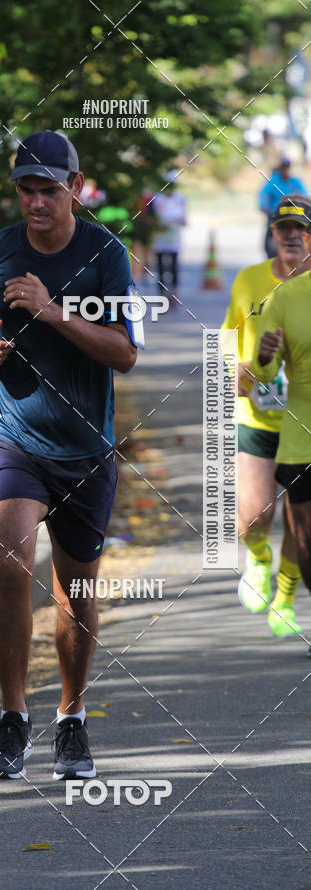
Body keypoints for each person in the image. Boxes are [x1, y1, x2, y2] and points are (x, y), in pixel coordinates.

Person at [0, 130, 138, 780]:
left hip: (85, 447)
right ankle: (12, 714)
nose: (35, 202)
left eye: (48, 190)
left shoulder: (105, 253)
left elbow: (125, 354)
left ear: (75, 190)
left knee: (76, 588)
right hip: (13, 436)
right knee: (11, 563)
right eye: (26, 189)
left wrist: (55, 315)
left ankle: (72, 718)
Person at [223, 196, 311, 637]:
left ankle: (286, 594)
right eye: (283, 228)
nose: (292, 236)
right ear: (272, 234)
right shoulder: (248, 281)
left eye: (301, 228)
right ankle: (258, 557)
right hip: (256, 416)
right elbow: (225, 336)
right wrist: (232, 367)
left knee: (302, 522)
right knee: (255, 516)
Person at [250, 257, 311, 648]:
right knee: (307, 541)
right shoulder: (286, 296)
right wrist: (266, 357)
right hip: (300, 440)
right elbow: (265, 374)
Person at [259, 157, 306, 258]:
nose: (285, 170)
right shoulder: (273, 182)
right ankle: (271, 254)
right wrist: (264, 206)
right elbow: (264, 195)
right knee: (271, 233)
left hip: (292, 214)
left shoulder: (295, 181)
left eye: (287, 168)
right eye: (283, 168)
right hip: (275, 214)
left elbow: (304, 195)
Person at [151, 173, 186, 295]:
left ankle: (174, 292)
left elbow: (184, 218)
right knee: (160, 267)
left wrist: (177, 221)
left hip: (174, 237)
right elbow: (153, 217)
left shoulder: (180, 198)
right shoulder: (157, 198)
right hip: (160, 237)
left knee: (174, 266)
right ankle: (161, 293)